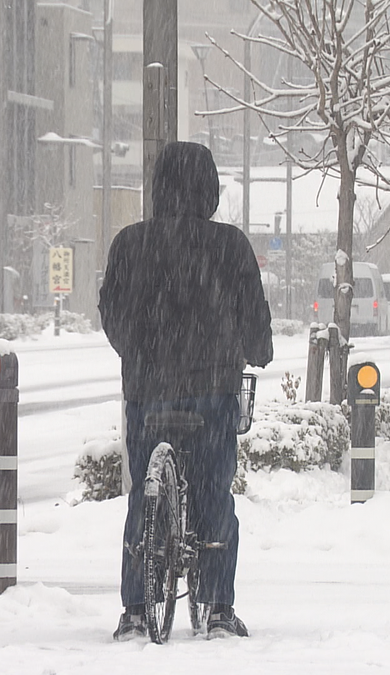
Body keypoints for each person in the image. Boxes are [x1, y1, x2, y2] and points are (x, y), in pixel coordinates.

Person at [100, 141, 273, 641]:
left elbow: (111, 314)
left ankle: (135, 610)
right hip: (213, 391)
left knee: (142, 501)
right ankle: (217, 607)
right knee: (214, 493)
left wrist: (137, 351)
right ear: (211, 189)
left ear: (158, 187)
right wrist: (256, 349)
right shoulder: (229, 246)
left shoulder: (130, 244)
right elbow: (253, 317)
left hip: (148, 392)